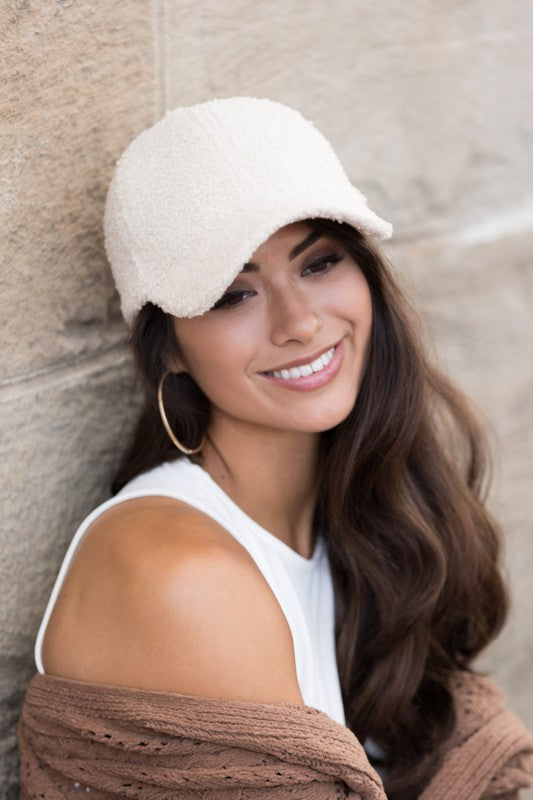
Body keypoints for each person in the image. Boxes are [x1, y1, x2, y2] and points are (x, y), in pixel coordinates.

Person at [20, 97, 532, 800]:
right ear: (166, 347)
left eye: (319, 263)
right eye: (234, 294)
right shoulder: (176, 572)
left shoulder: (355, 526)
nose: (298, 322)